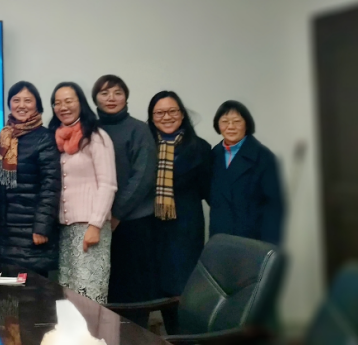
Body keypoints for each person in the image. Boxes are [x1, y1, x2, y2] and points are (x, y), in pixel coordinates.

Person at [92, 75, 158, 305]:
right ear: (95, 99)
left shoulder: (139, 129)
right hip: (98, 221)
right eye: (104, 93)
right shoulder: (90, 129)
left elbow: (143, 176)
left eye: (118, 93)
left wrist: (117, 213)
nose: (111, 98)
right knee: (104, 287)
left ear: (126, 98)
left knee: (133, 289)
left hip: (133, 222)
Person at [51, 82, 116, 303]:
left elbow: (108, 184)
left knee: (89, 293)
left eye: (69, 101)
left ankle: (93, 329)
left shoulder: (96, 137)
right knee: (67, 291)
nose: (63, 107)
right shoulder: (58, 139)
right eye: (57, 103)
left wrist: (95, 225)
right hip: (65, 229)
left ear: (81, 103)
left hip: (90, 227)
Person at [147, 92, 213, 308]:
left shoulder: (200, 148)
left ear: (182, 114)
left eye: (172, 111)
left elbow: (208, 190)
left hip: (185, 228)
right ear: (152, 118)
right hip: (150, 227)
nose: (167, 117)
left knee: (182, 289)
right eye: (159, 113)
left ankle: (178, 329)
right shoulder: (145, 145)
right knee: (152, 288)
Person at [0, 81, 59, 277]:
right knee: (7, 292)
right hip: (6, 233)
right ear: (9, 104)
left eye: (28, 101)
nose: (21, 105)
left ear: (37, 105)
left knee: (33, 292)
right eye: (16, 100)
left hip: (32, 233)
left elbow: (51, 186)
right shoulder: (4, 136)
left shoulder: (45, 138)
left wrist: (41, 227)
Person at [210, 101, 284, 245]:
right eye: (225, 121)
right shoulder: (213, 155)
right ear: (218, 125)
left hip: (252, 239)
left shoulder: (264, 157)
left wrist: (269, 246)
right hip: (220, 237)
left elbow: (274, 207)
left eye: (237, 121)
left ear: (247, 124)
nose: (231, 127)